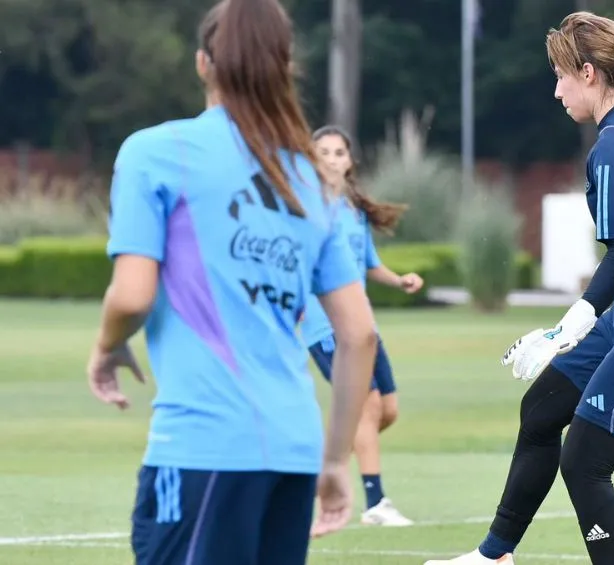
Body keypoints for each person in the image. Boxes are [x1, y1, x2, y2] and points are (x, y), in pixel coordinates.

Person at [425, 11, 614, 565]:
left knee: (585, 460)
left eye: (561, 75)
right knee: (541, 412)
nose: (556, 89)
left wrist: (563, 331)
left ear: (589, 73)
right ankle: (495, 556)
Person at [85, 0, 379, 563]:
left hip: (203, 447)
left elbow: (131, 294)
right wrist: (335, 460)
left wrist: (106, 345)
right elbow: (359, 335)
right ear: (285, 66)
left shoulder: (156, 154)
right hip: (293, 454)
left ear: (203, 64)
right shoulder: (310, 179)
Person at [301, 125, 424, 526]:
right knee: (367, 407)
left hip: (361, 324)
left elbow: (368, 263)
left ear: (350, 161)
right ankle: (376, 503)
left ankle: (320, 466)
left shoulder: (353, 212)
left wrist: (399, 279)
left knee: (386, 410)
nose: (333, 159)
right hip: (327, 328)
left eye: (340, 152)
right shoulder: (306, 208)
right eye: (324, 152)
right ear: (312, 159)